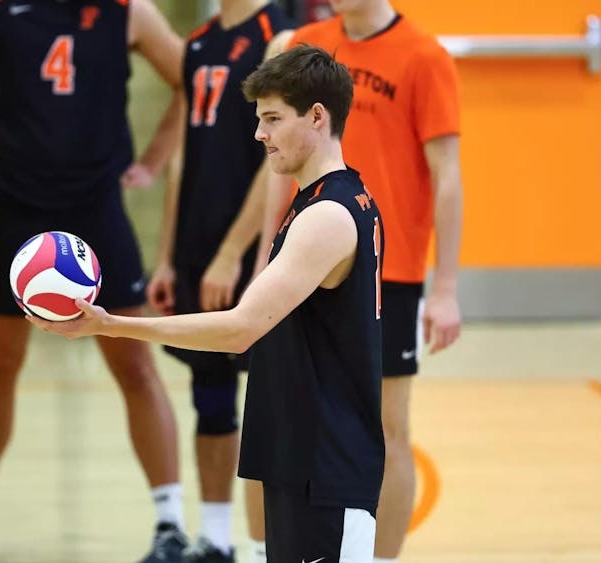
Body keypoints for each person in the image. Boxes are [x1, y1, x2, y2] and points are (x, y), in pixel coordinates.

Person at [33, 44, 385, 563]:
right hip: (306, 458)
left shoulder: (327, 217)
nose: (259, 133)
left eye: (271, 118)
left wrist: (111, 325)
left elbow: (240, 328)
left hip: (325, 471)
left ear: (317, 117)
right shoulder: (326, 200)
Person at [0, 0, 188, 560]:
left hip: (95, 210)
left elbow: (193, 82)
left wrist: (153, 160)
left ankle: (170, 521)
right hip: (15, 209)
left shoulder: (128, 13)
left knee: (134, 362)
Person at [258, 2, 464, 560]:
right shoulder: (307, 41)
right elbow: (275, 169)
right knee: (287, 417)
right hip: (304, 263)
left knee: (387, 428)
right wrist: (259, 262)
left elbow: (448, 177)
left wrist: (443, 289)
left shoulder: (424, 56)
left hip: (386, 270)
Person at [147, 1, 291, 561]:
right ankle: (213, 538)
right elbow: (182, 156)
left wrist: (234, 252)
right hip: (195, 243)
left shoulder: (277, 35)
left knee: (265, 404)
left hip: (252, 248)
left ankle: (261, 547)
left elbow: (276, 158)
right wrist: (165, 256)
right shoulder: (201, 41)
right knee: (209, 397)